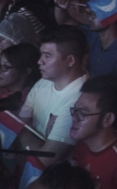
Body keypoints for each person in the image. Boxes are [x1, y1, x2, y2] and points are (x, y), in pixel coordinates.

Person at [16, 27, 91, 169]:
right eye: (41, 55)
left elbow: (44, 159)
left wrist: (19, 129)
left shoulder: (79, 99)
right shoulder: (44, 81)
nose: (39, 61)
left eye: (47, 56)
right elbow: (22, 120)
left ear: (70, 60)